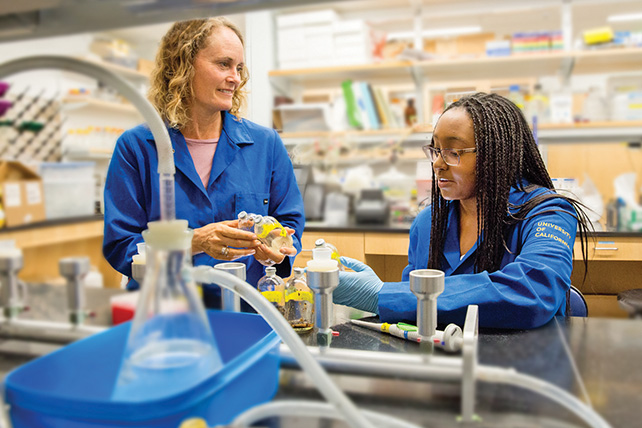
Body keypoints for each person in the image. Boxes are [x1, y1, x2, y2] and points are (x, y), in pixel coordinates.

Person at [334, 92, 591, 329]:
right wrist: (388, 296)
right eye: (435, 150)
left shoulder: (547, 213)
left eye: (453, 152)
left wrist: (384, 295)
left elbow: (533, 291)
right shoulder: (428, 223)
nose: (437, 163)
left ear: (496, 155)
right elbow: (413, 313)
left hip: (522, 364)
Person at [103, 17, 304, 308]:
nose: (235, 77)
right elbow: (121, 245)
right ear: (182, 66)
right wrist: (192, 241)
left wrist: (280, 248)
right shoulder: (137, 147)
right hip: (164, 310)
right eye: (223, 64)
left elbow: (290, 225)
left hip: (246, 310)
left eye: (239, 68)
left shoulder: (265, 144)